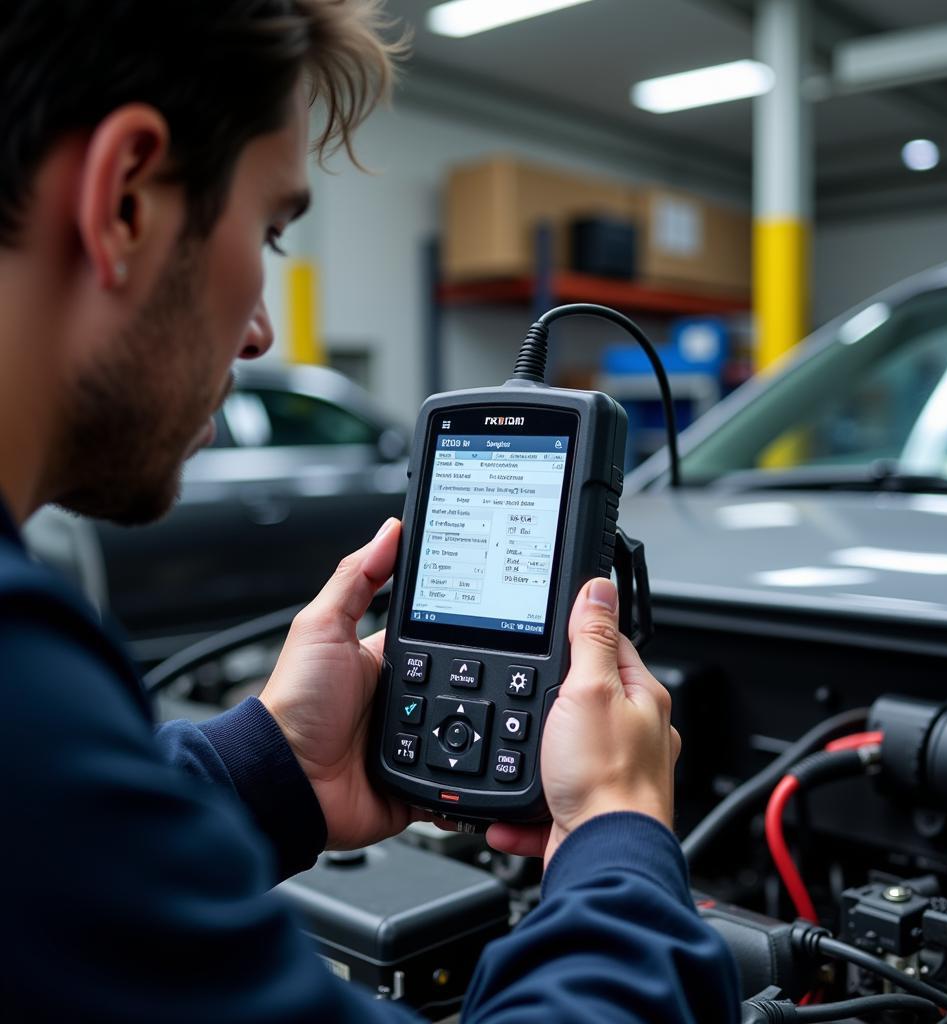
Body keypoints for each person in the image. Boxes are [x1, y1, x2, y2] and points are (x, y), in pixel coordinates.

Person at [0, 1, 740, 1020]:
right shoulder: (21, 682)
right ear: (126, 199)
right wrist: (619, 842)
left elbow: (61, 862)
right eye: (268, 230)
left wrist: (273, 767)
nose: (261, 331)